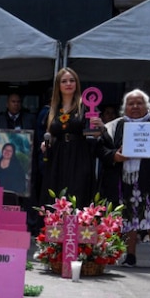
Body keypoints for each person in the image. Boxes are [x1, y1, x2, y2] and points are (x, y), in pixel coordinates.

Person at [97, 88, 150, 269]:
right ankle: (130, 256)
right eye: (131, 103)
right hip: (126, 179)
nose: (135, 106)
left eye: (139, 102)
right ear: (125, 107)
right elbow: (101, 150)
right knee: (129, 218)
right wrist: (115, 156)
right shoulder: (114, 126)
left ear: (147, 105)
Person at [38, 67, 102, 206]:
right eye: (64, 81)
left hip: (79, 154)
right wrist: (45, 143)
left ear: (77, 83)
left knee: (78, 192)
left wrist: (99, 126)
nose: (68, 84)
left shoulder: (85, 106)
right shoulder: (53, 109)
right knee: (56, 193)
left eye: (72, 81)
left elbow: (94, 134)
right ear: (58, 85)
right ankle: (54, 226)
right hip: (57, 157)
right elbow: (51, 133)